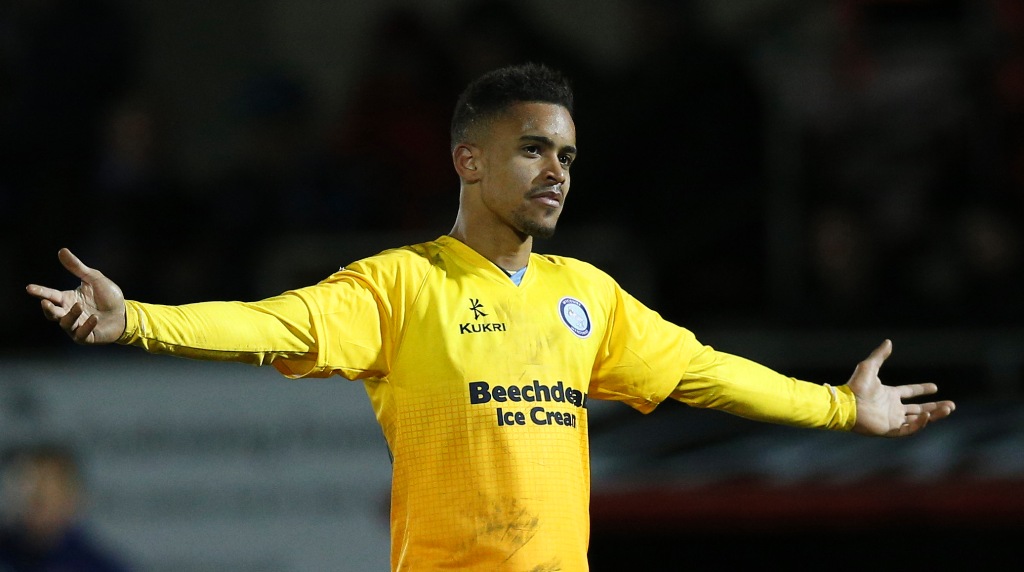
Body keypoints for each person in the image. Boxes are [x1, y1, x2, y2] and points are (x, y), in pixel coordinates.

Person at [26, 63, 956, 571]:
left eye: (568, 155)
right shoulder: (403, 286)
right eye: (533, 149)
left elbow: (708, 371)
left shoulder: (587, 296)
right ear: (469, 162)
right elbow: (270, 323)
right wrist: (137, 319)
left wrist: (842, 408)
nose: (557, 171)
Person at [0, 443, 132, 572]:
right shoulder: (6, 554)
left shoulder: (98, 566)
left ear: (73, 499)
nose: (31, 501)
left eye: (45, 494)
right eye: (24, 489)